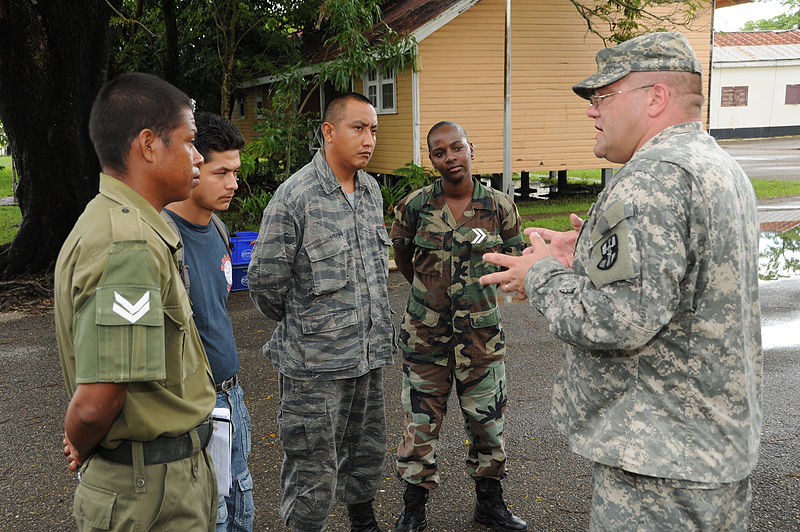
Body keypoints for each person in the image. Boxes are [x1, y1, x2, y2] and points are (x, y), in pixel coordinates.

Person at [480, 32, 762, 531]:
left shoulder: (651, 179)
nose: (593, 110)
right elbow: (683, 287)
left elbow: (614, 321)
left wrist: (540, 273)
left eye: (603, 95)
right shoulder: (718, 166)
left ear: (656, 97)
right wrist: (581, 260)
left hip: (659, 462)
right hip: (708, 446)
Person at [54, 72, 218, 530]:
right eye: (189, 141)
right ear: (149, 145)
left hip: (160, 478)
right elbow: (96, 402)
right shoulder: (129, 243)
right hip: (149, 492)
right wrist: (78, 435)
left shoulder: (123, 222)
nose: (199, 156)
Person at [247, 92, 393, 532]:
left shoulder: (370, 191)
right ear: (328, 131)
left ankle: (363, 523)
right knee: (312, 470)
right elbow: (265, 282)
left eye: (373, 130)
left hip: (366, 357)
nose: (368, 139)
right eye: (357, 128)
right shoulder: (295, 196)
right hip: (315, 370)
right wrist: (307, 329)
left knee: (366, 454)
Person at [390, 121, 527, 532]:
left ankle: (490, 505)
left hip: (481, 340)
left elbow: (516, 262)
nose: (449, 157)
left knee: (488, 426)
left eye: (456, 148)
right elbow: (403, 257)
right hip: (425, 338)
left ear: (471, 149)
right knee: (419, 427)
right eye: (439, 152)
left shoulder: (499, 207)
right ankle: (413, 510)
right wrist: (428, 290)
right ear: (431, 159)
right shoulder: (414, 206)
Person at [162, 111, 254, 531]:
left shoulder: (217, 227)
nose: (233, 184)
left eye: (236, 172)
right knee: (208, 513)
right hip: (193, 408)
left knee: (239, 501)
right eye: (222, 173)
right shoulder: (163, 239)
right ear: (192, 166)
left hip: (231, 398)